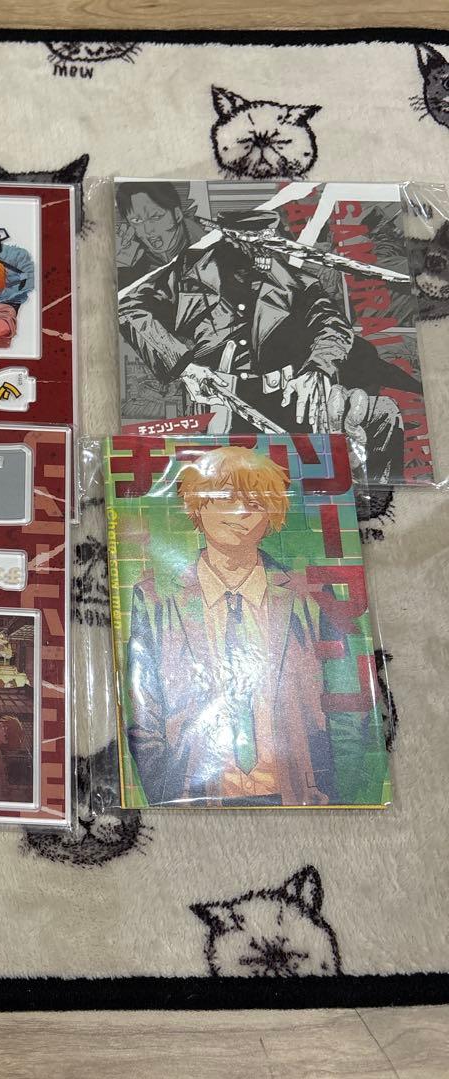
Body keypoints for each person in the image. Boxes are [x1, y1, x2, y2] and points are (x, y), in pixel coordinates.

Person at [124, 446, 342, 807]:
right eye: (225, 498)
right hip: (194, 797)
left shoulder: (309, 595)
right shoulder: (154, 598)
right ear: (197, 504)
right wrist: (168, 795)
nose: (240, 512)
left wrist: (337, 793)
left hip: (301, 795)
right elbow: (143, 714)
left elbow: (345, 706)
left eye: (255, 503)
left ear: (272, 514)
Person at [117, 208, 405, 481]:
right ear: (229, 239)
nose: (265, 251)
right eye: (254, 241)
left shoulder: (298, 283)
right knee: (219, 482)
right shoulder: (187, 271)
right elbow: (128, 308)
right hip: (216, 399)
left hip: (285, 399)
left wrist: (317, 368)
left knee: (369, 427)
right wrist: (184, 366)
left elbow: (333, 325)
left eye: (270, 240)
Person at [115, 181, 196, 289]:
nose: (148, 230)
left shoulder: (207, 246)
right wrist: (123, 271)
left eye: (156, 217)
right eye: (137, 220)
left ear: (177, 215)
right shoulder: (132, 256)